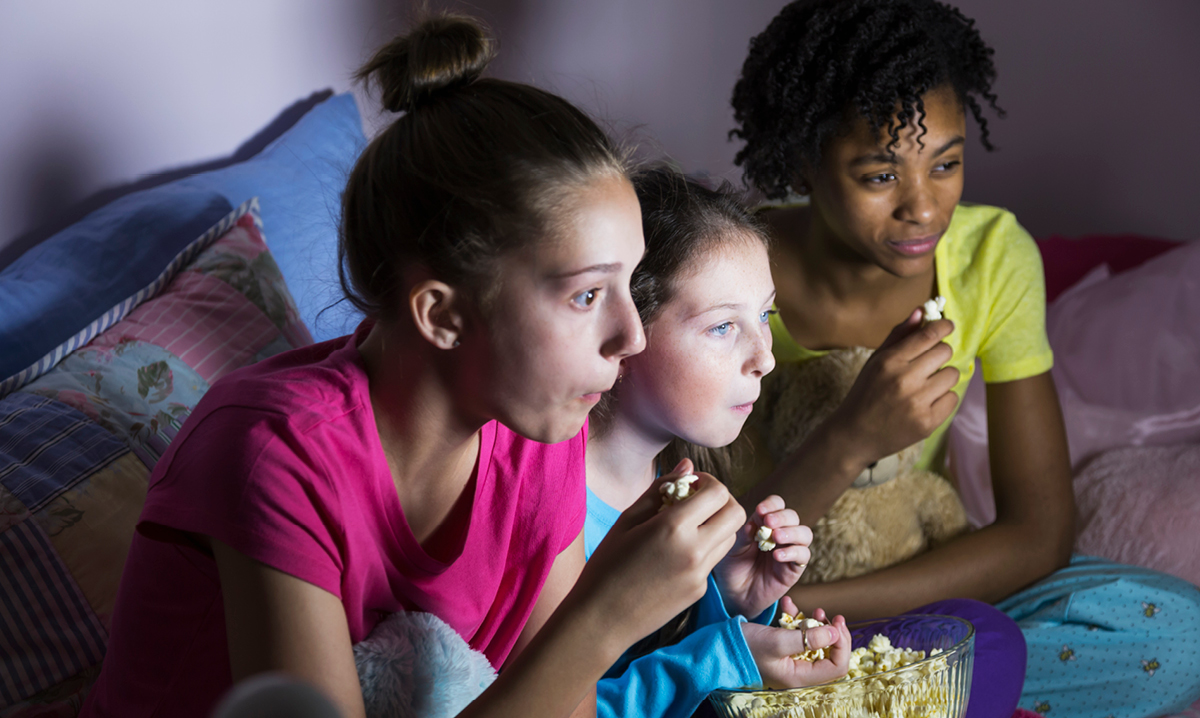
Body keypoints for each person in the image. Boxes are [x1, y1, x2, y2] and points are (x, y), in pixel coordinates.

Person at [82, 14, 746, 718]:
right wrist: (604, 618)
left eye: (629, 283)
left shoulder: (540, 433)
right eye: (587, 294)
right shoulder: (275, 453)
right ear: (442, 315)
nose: (631, 337)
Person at [728, 1, 1200, 717]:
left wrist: (810, 609)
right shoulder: (728, 271)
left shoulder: (989, 257)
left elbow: (1039, 532)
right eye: (879, 175)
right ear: (802, 160)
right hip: (749, 584)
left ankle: (835, 685)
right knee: (699, 639)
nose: (923, 207)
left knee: (1176, 634)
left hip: (885, 593)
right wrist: (853, 436)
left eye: (945, 163)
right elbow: (718, 543)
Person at [586, 167, 1021, 718]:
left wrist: (735, 601)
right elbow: (556, 700)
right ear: (624, 329)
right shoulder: (554, 507)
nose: (766, 357)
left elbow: (653, 655)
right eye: (723, 327)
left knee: (985, 637)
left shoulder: (684, 487)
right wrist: (730, 655)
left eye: (765, 315)